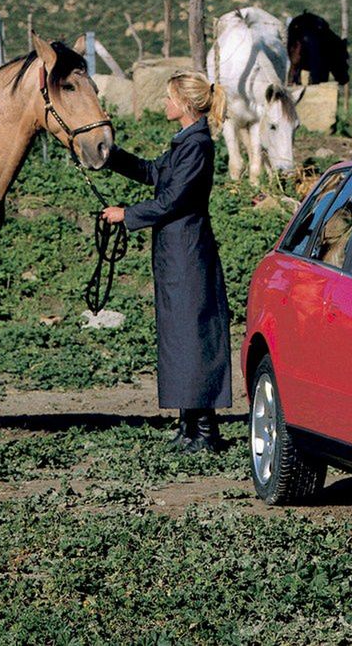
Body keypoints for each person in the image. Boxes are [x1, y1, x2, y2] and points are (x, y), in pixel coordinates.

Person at [100, 70, 232, 452]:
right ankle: (188, 427)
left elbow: (172, 200)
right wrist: (112, 157)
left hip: (189, 252)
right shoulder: (184, 142)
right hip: (175, 253)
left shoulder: (198, 146)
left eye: (170, 98)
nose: (165, 104)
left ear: (186, 104)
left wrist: (128, 214)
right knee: (178, 335)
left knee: (193, 335)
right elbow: (153, 173)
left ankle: (206, 431)